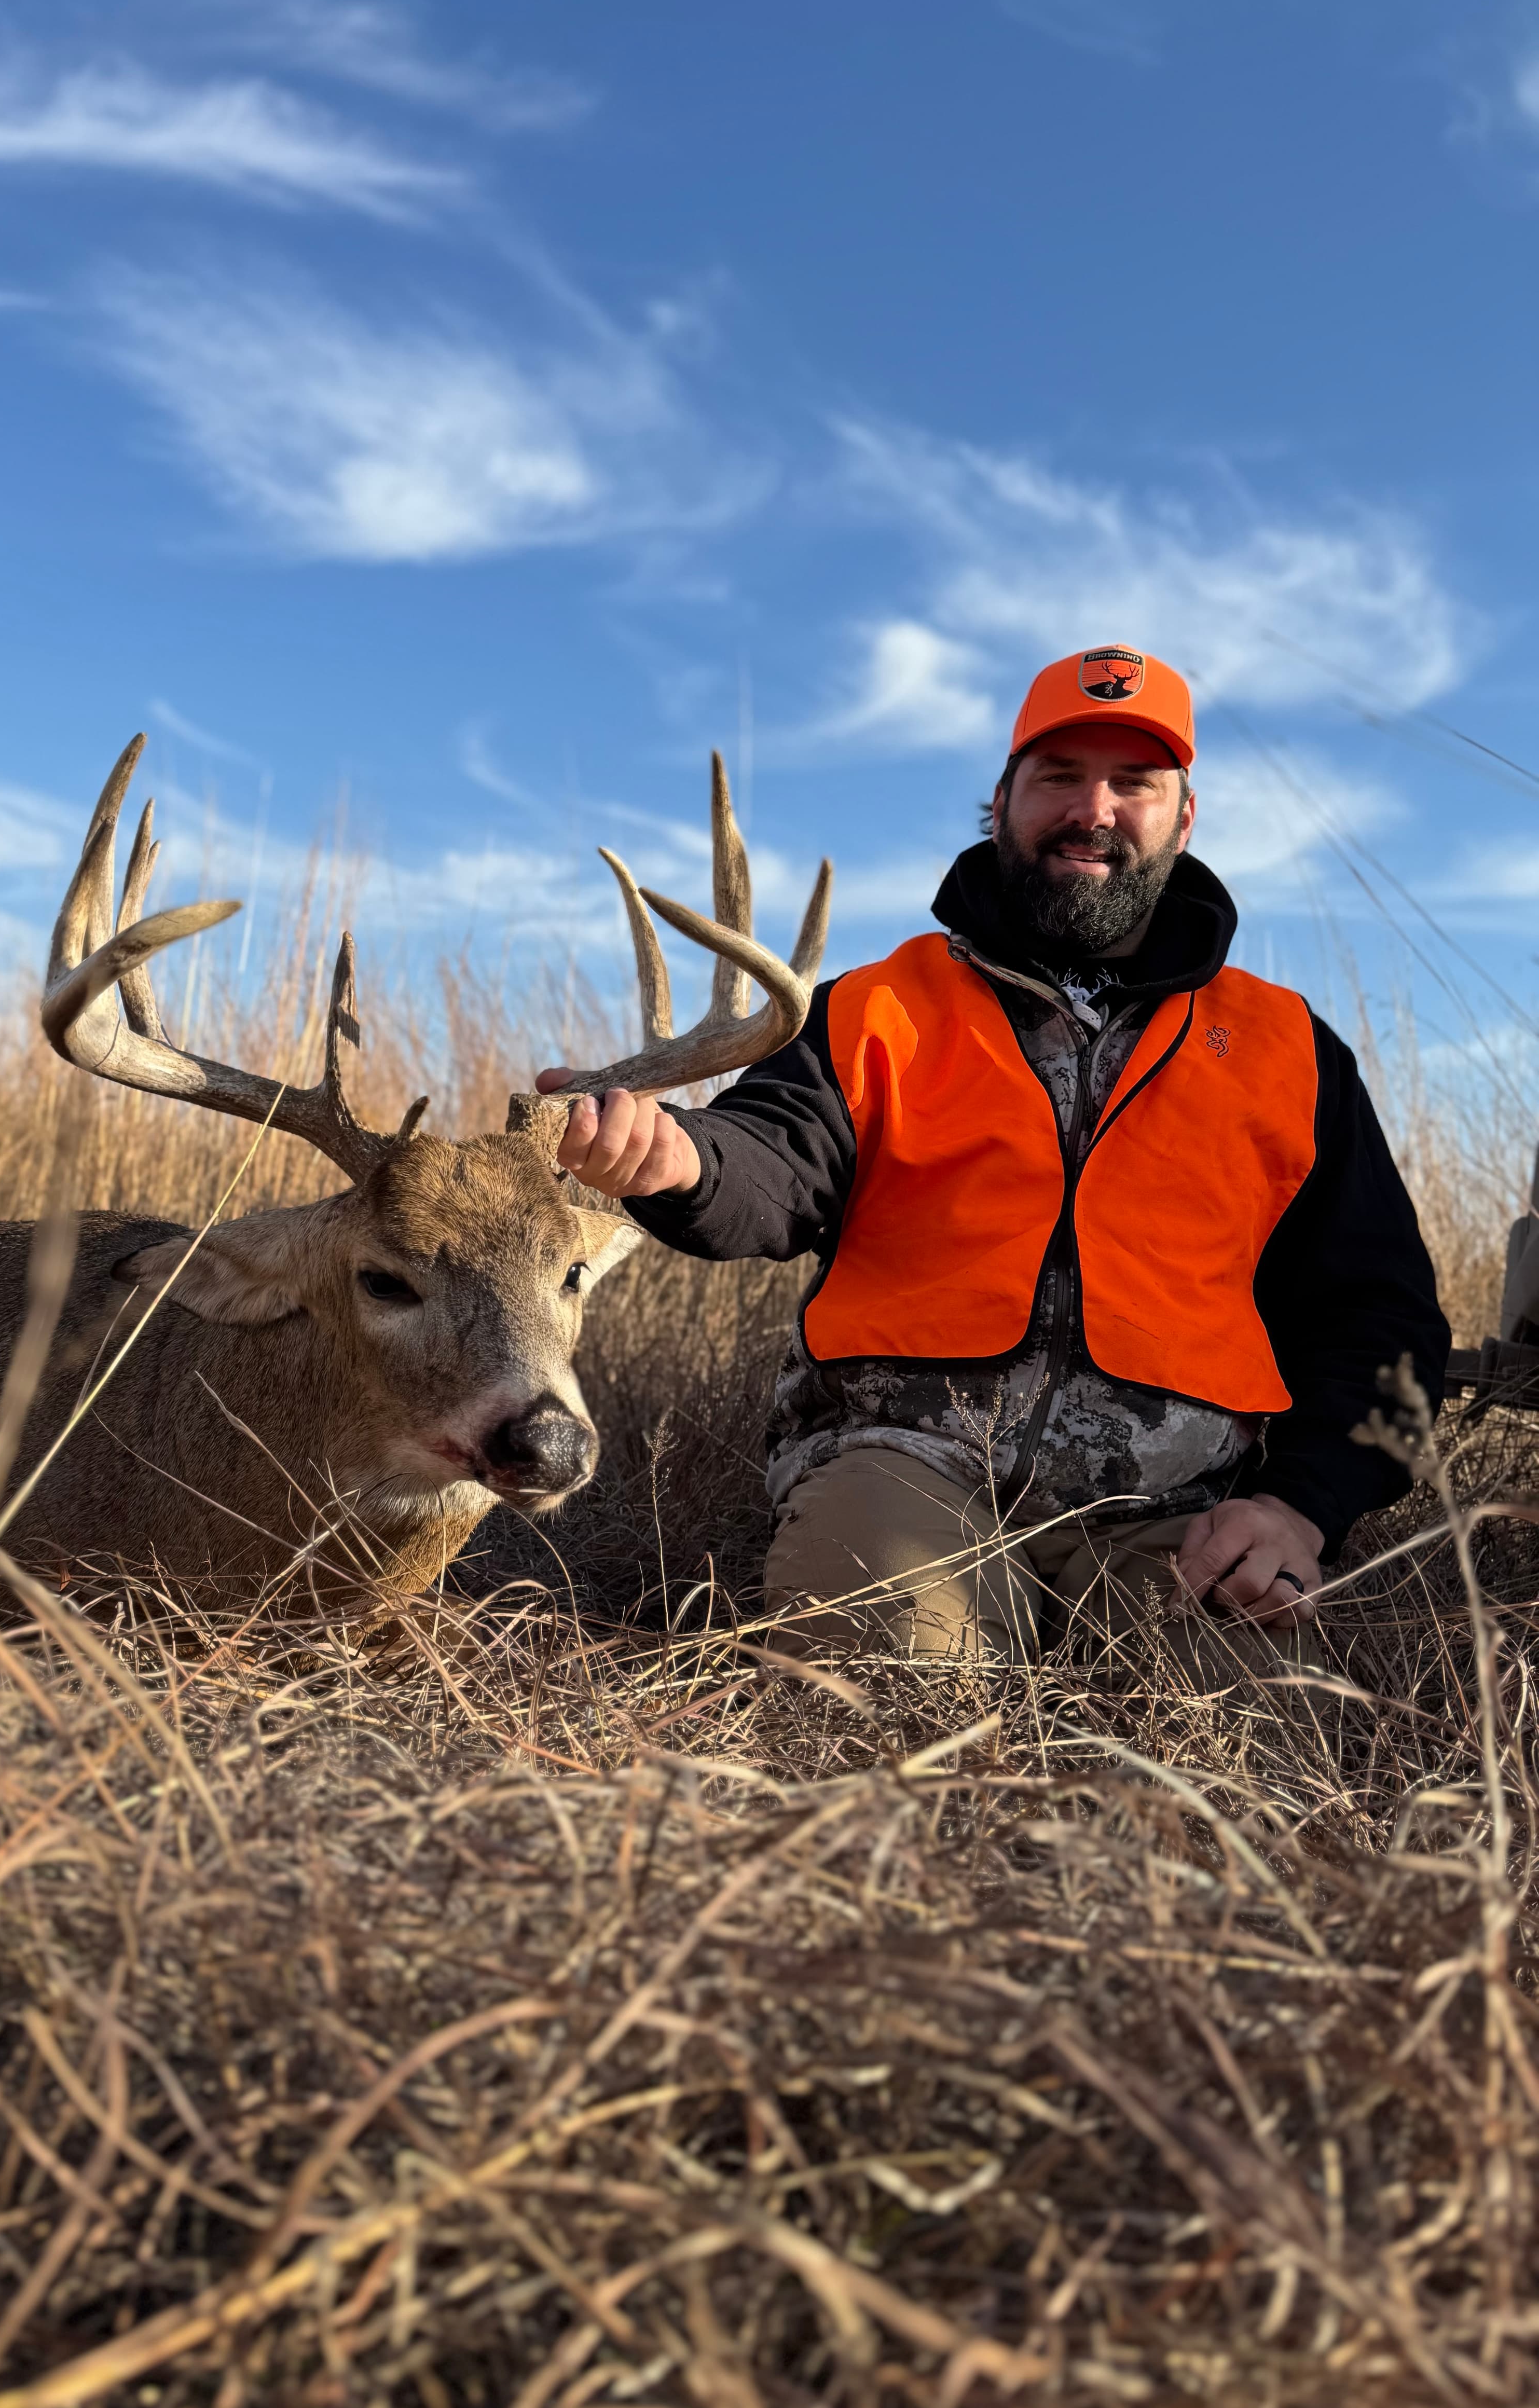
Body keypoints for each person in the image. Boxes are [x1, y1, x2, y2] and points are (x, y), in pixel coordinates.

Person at [539, 644, 1450, 1675]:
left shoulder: (1290, 1050)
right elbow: (770, 1162)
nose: (1093, 808)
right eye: (1059, 776)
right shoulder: (879, 1007)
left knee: (1257, 1741)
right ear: (1003, 799)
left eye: (1133, 783)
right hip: (907, 1470)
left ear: (1184, 818)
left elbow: (1382, 1319)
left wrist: (1298, 1508)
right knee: (892, 1680)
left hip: (1181, 1515)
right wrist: (678, 1161)